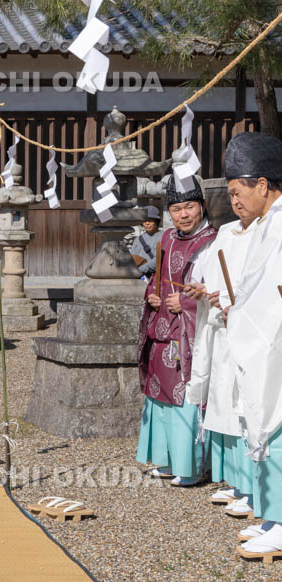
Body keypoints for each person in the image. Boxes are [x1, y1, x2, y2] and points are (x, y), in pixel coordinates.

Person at [213, 132, 282, 557]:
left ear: (262, 184)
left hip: (274, 337)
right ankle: (274, 515)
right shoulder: (264, 225)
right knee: (267, 423)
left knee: (275, 420)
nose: (235, 202)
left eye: (239, 192)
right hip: (265, 336)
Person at [136, 175, 217, 486]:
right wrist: (152, 295)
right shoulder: (167, 239)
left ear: (202, 206)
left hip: (188, 332)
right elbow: (158, 276)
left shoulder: (213, 240)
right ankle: (168, 460)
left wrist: (184, 301)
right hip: (163, 328)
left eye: (190, 207)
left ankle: (192, 465)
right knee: (159, 398)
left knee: (185, 397)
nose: (183, 214)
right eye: (176, 208)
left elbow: (217, 288)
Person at [184, 209, 257, 514]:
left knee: (246, 409)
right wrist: (203, 291)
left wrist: (231, 299)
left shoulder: (266, 232)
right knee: (224, 406)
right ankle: (235, 481)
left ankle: (254, 489)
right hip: (221, 329)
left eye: (240, 192)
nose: (236, 201)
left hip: (247, 331)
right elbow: (212, 279)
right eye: (232, 195)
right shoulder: (226, 232)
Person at [128, 205, 164, 278]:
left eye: (150, 220)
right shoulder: (138, 239)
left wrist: (140, 270)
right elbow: (132, 259)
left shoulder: (163, 236)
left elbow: (158, 260)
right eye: (145, 220)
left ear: (156, 221)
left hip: (155, 277)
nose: (147, 223)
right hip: (139, 277)